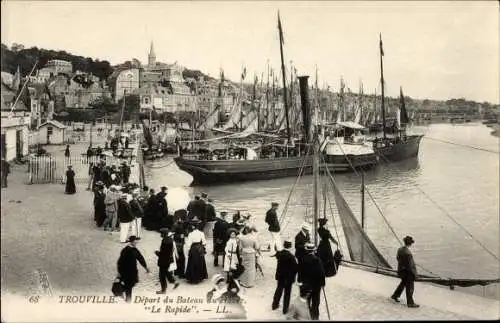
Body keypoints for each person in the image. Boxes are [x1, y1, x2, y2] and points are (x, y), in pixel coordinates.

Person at [117, 235, 150, 302]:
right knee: (129, 286)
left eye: (136, 242)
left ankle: (122, 293)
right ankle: (128, 300)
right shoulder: (127, 250)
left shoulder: (133, 250)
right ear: (131, 242)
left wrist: (146, 267)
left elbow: (140, 258)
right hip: (127, 271)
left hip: (132, 271)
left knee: (131, 284)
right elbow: (120, 262)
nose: (136, 243)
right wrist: (120, 272)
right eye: (135, 242)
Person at [297, 243, 325, 320]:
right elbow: (321, 273)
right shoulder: (317, 260)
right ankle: (315, 318)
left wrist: (299, 282)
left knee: (306, 302)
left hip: (305, 285)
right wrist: (322, 283)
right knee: (315, 303)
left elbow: (299, 272)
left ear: (306, 250)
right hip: (316, 286)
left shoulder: (302, 259)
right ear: (313, 250)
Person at [391, 236, 420, 308]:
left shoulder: (400, 249)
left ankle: (395, 295)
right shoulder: (408, 253)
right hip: (408, 273)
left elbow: (397, 258)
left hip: (401, 271)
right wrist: (415, 274)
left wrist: (402, 266)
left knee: (403, 283)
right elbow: (411, 266)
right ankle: (410, 303)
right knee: (410, 287)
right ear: (410, 244)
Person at [272, 240, 298, 314]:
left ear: (284, 245)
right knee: (287, 293)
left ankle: (274, 305)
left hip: (280, 276)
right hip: (288, 278)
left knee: (278, 290)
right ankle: (285, 309)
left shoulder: (280, 254)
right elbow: (295, 268)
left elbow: (276, 254)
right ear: (290, 246)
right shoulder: (291, 256)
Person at [184, 218, 208, 284]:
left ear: (193, 226)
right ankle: (199, 277)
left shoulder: (190, 234)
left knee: (192, 263)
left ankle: (192, 278)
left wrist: (188, 250)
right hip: (199, 248)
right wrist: (203, 248)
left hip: (193, 249)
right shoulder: (201, 233)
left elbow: (188, 244)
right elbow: (204, 242)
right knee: (200, 262)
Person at [156, 229, 180, 294]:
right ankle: (175, 282)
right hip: (169, 259)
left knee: (162, 275)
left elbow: (163, 253)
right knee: (166, 272)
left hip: (163, 260)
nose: (160, 235)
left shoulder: (164, 241)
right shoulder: (171, 240)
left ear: (163, 234)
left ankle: (163, 290)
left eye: (161, 233)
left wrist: (156, 252)